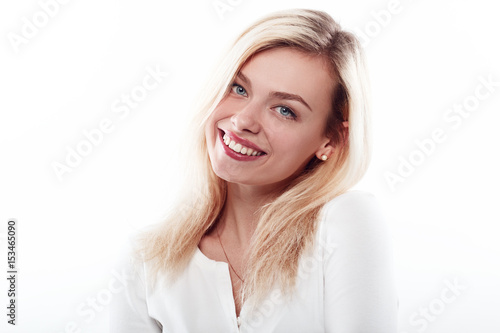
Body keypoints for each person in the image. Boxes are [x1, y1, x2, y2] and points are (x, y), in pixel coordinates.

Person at [110, 8, 398, 332]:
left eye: (285, 110)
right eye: (239, 88)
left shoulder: (346, 223)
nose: (243, 121)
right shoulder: (147, 262)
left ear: (330, 139)